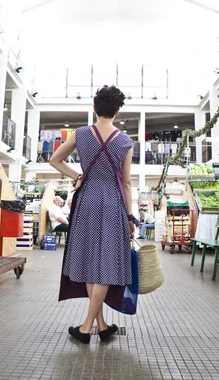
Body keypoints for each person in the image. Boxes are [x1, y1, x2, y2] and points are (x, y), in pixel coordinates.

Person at [50, 85, 135, 344]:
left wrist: (78, 175)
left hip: (86, 201)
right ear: (118, 110)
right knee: (105, 266)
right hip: (113, 204)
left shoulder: (80, 134)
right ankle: (92, 326)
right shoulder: (125, 141)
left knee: (90, 264)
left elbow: (55, 160)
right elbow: (128, 183)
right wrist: (130, 218)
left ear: (94, 108)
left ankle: (94, 326)